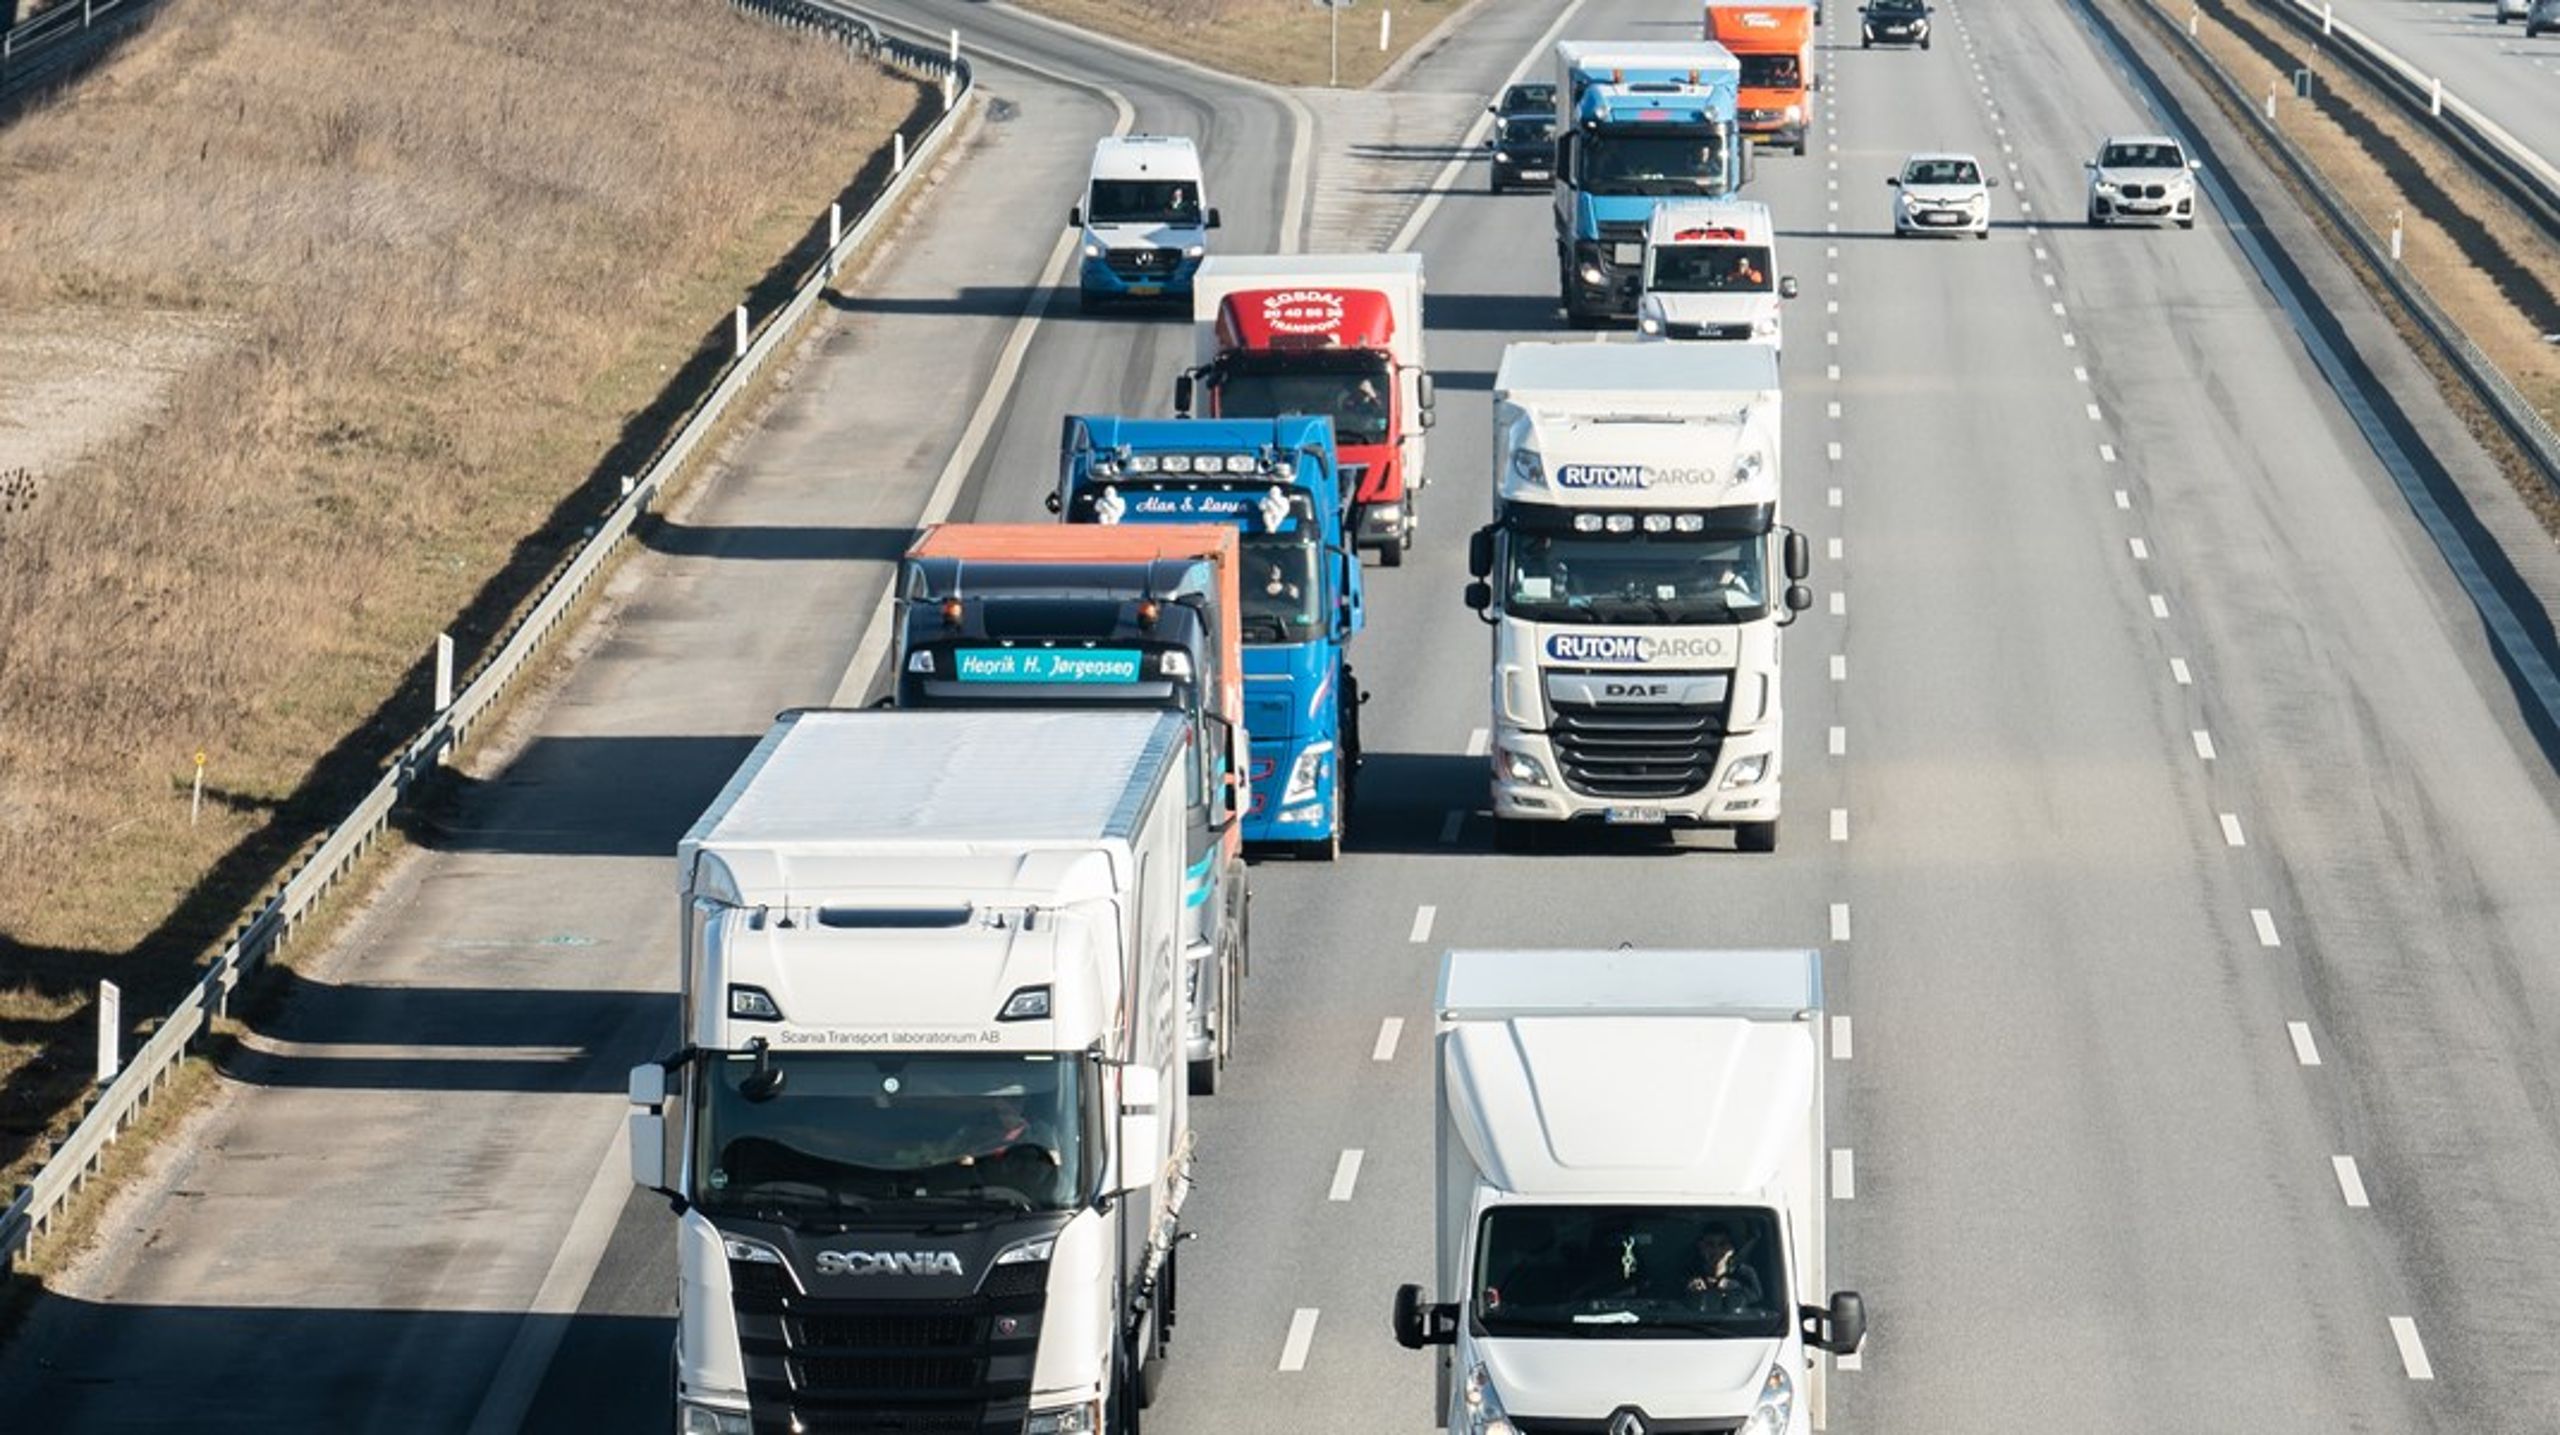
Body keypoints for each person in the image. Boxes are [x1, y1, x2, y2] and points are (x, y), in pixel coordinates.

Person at [1685, 1227, 1765, 1310]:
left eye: (1722, 1244)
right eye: (1710, 1244)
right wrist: (1689, 1291)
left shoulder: (1745, 1273)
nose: (1716, 1250)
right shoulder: (1688, 1272)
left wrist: (1738, 1288)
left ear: (1731, 1249)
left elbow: (1759, 1302)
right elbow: (1674, 1304)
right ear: (1701, 1247)